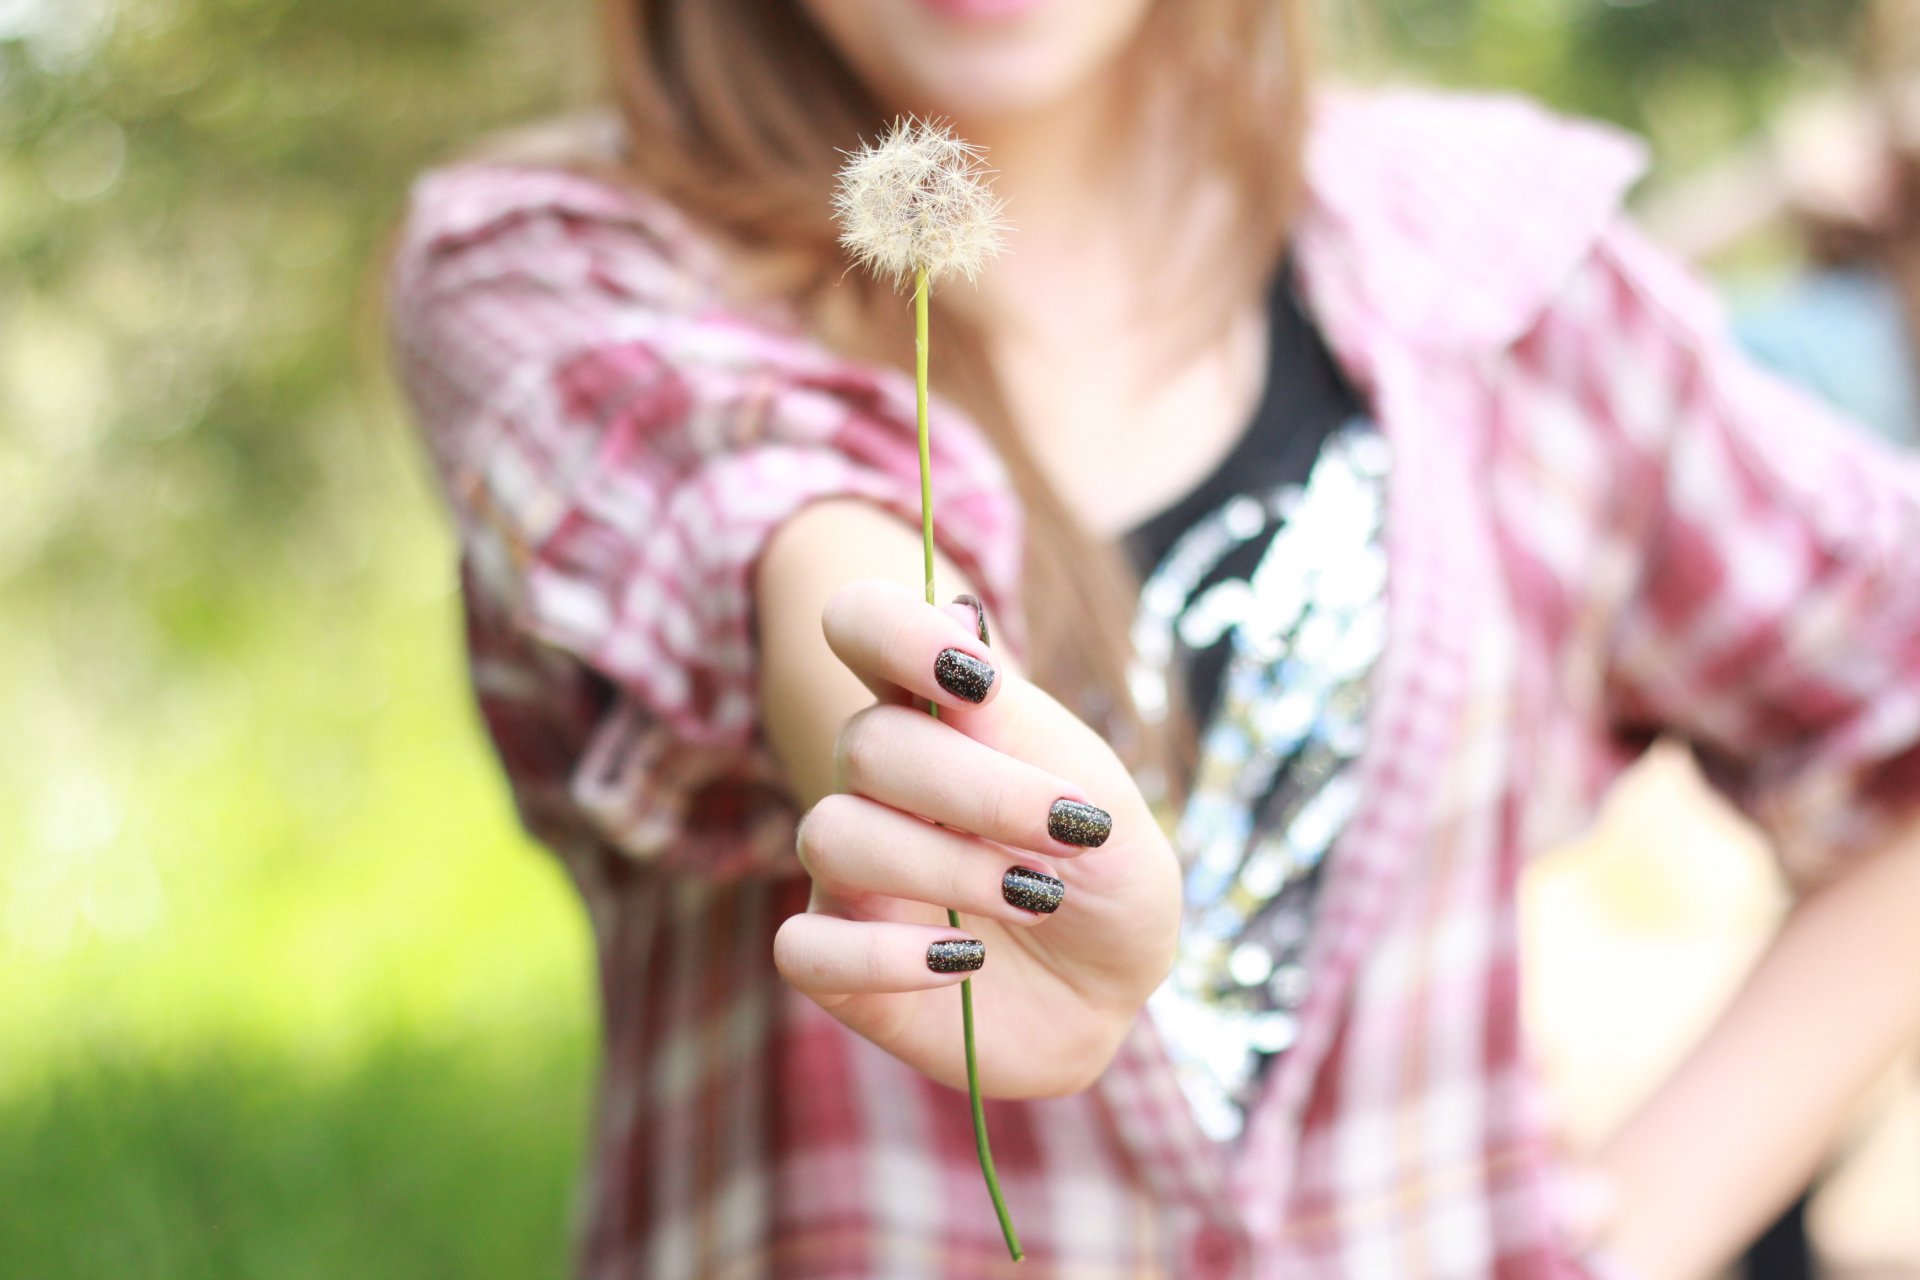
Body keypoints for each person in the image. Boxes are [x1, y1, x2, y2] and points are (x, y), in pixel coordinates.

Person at [385, 1, 1920, 1277]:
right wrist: (934, 764)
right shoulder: (556, 265)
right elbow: (771, 521)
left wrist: (1649, 1228)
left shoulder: (1502, 280)